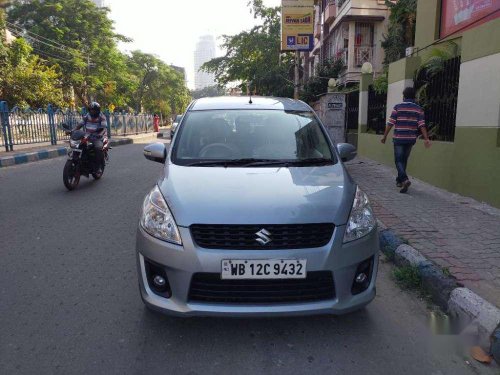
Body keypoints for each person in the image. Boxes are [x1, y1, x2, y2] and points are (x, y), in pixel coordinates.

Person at [381, 87, 431, 193]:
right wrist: (426, 138)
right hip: (410, 139)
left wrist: (384, 136)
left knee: (398, 160)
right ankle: (399, 181)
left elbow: (390, 123)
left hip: (399, 138)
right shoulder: (419, 109)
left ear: (404, 96)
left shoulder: (398, 107)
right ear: (414, 96)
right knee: (404, 159)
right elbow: (422, 125)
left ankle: (404, 179)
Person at [75, 102, 107, 169]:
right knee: (78, 145)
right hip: (88, 135)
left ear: (98, 110)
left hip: (98, 137)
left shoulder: (102, 117)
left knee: (98, 148)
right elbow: (80, 124)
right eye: (91, 110)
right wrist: (73, 130)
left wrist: (100, 134)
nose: (92, 111)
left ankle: (98, 166)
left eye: (94, 110)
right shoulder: (87, 115)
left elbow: (104, 128)